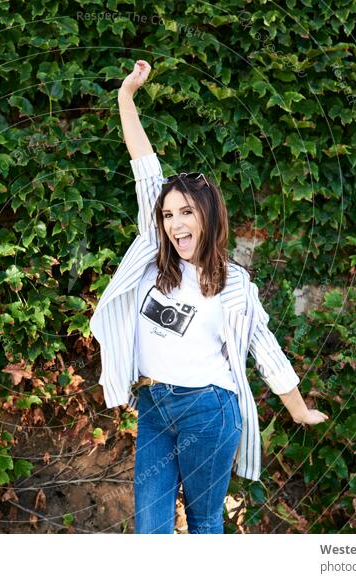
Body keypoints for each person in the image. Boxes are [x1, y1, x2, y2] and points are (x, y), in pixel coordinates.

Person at [88, 60, 329, 534]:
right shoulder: (154, 259)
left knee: (202, 524)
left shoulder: (235, 283)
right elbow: (145, 171)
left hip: (209, 409)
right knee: (150, 529)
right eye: (168, 214)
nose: (176, 223)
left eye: (187, 212)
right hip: (154, 405)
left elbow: (265, 349)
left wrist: (298, 409)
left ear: (209, 216)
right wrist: (125, 97)